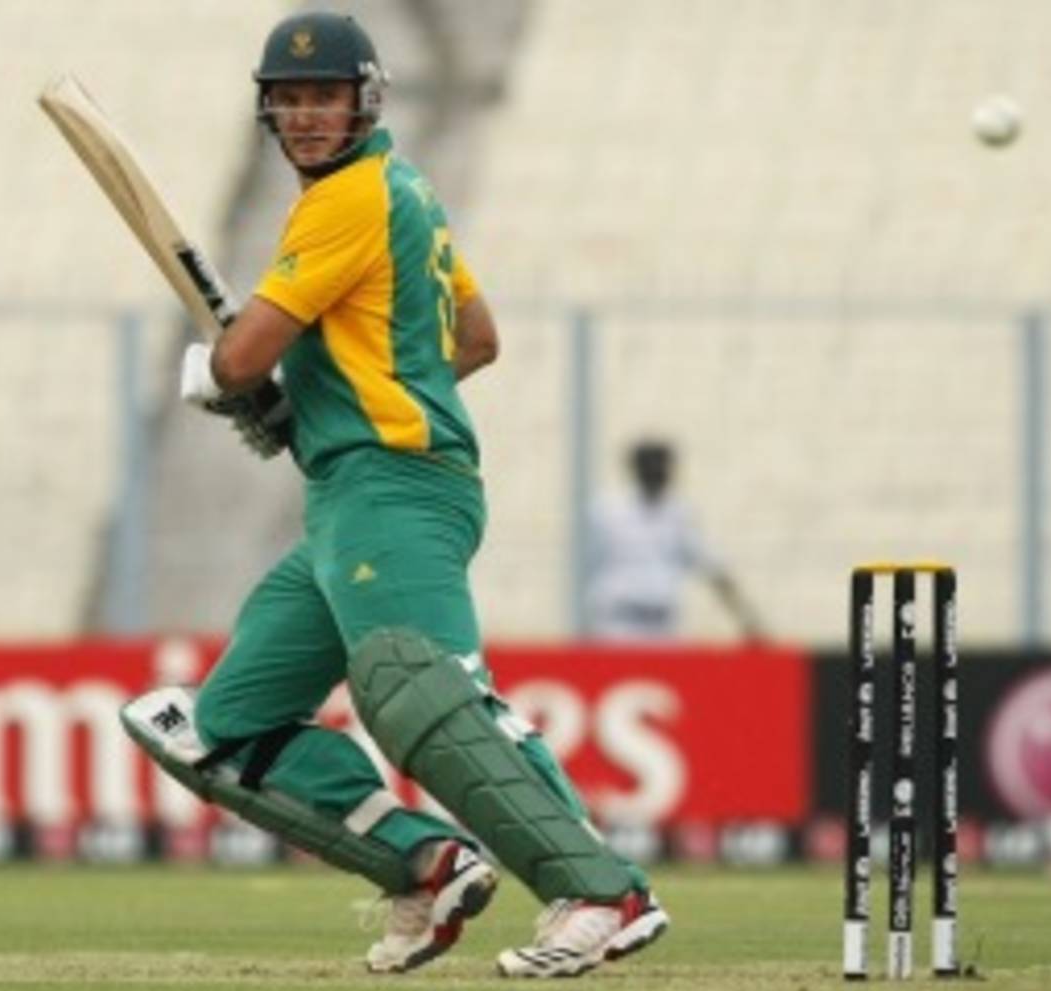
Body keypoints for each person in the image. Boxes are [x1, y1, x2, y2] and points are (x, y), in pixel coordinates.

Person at [119, 9, 667, 980]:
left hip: (396, 487)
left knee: (417, 685)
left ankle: (601, 888)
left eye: (322, 95)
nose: (304, 115)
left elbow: (243, 353)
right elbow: (475, 339)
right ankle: (425, 864)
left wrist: (222, 378)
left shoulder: (350, 197)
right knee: (218, 726)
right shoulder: (405, 190)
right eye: (287, 99)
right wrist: (329, 404)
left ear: (365, 99)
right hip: (349, 493)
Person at [586, 439, 764, 641]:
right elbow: (587, 565)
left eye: (661, 466)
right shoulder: (608, 512)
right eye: (650, 466)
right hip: (618, 622)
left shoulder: (679, 514)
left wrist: (747, 617)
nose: (656, 472)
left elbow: (712, 566)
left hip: (662, 623)